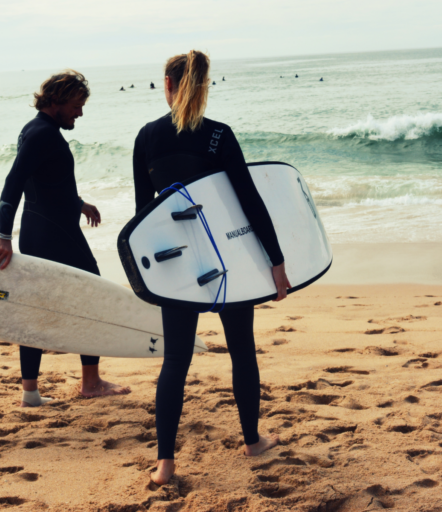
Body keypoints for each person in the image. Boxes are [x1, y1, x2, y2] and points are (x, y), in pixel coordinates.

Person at [132, 50, 291, 485]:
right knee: (241, 349)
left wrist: (149, 277)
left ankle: (165, 464)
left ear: (166, 84)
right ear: (203, 87)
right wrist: (276, 262)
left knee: (176, 361)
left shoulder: (146, 137)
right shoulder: (220, 136)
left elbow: (142, 217)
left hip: (177, 266)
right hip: (228, 262)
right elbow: (248, 203)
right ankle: (253, 442)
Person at [0, 70, 131, 406]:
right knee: (92, 297)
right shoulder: (43, 134)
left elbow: (47, 184)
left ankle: (31, 393)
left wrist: (79, 204)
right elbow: (14, 183)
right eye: (76, 105)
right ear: (57, 100)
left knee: (35, 309)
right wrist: (2, 236)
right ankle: (91, 383)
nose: (79, 112)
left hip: (43, 232)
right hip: (57, 236)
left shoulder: (35, 129)